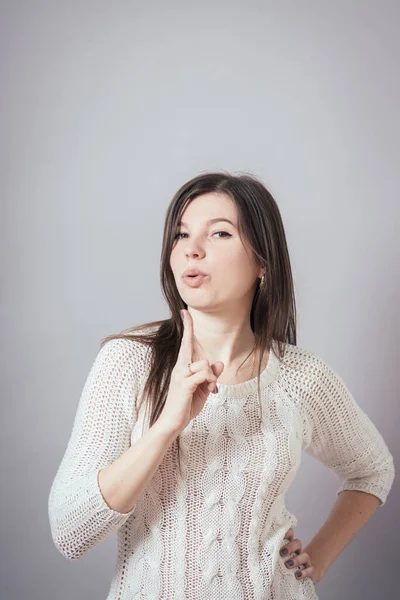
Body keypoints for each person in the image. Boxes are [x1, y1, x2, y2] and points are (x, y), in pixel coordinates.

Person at [48, 171, 395, 600]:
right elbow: (70, 533)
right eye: (180, 234)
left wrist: (317, 559)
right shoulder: (129, 361)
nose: (191, 249)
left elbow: (372, 469)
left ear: (262, 263)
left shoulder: (302, 378)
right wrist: (166, 427)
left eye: (219, 233)